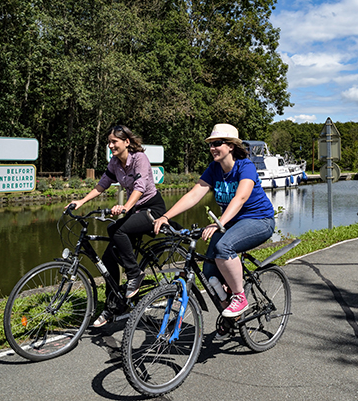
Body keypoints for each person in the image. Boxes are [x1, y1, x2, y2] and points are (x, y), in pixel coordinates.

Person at [152, 123, 275, 318]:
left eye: (217, 143)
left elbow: (240, 198)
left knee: (223, 248)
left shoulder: (246, 167)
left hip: (259, 220)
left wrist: (219, 222)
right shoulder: (214, 169)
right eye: (210, 144)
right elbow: (193, 195)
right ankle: (230, 313)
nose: (212, 148)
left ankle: (240, 296)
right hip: (232, 222)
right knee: (209, 267)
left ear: (231, 146)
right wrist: (166, 216)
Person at [69, 125, 166, 326]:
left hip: (151, 209)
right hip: (134, 208)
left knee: (118, 229)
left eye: (114, 141)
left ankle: (134, 273)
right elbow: (102, 184)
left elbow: (140, 187)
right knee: (108, 256)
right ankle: (113, 306)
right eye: (109, 141)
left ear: (126, 142)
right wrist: (81, 201)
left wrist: (125, 207)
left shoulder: (139, 159)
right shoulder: (115, 162)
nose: (111, 145)